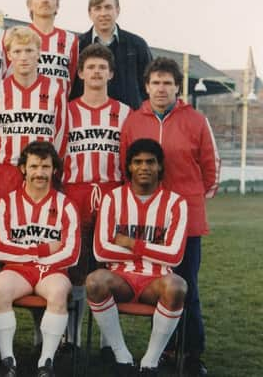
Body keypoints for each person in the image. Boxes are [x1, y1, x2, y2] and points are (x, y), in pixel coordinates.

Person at [120, 58, 220, 376]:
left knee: (186, 286)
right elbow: (126, 167)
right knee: (157, 285)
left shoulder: (196, 120)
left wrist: (187, 199)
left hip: (186, 221)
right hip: (150, 222)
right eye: (155, 82)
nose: (161, 88)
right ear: (146, 86)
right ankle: (163, 349)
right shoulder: (134, 121)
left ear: (177, 86)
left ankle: (191, 352)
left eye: (167, 83)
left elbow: (210, 169)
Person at [87, 138, 188, 377]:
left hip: (156, 282)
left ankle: (150, 362)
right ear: (129, 167)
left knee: (178, 286)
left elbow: (174, 255)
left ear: (160, 167)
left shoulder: (176, 203)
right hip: (120, 278)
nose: (144, 167)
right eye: (138, 162)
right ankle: (122, 356)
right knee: (94, 281)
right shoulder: (113, 199)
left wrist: (131, 243)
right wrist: (155, 248)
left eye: (150, 162)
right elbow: (101, 250)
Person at [0, 25, 67, 280]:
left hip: (40, 176)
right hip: (4, 173)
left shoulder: (55, 91)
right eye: (17, 51)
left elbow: (60, 137)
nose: (24, 57)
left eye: (29, 50)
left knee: (40, 252)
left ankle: (45, 314)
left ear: (39, 53)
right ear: (8, 55)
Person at [0, 141, 80, 377]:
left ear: (54, 170)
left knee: (59, 292)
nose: (39, 173)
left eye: (45, 167)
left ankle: (45, 363)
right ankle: (7, 361)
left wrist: (38, 258)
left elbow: (71, 252)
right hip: (17, 269)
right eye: (34, 166)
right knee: (0, 287)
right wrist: (41, 250)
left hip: (53, 271)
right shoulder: (6, 202)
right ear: (23, 168)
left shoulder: (65, 205)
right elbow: (1, 249)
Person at [62, 44, 131, 347]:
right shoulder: (66, 110)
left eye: (102, 67)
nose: (96, 72)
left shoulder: (124, 112)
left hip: (111, 194)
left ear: (111, 73)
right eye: (90, 67)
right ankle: (72, 337)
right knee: (75, 267)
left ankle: (106, 341)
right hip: (74, 192)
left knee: (108, 267)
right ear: (80, 73)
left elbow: (129, 158)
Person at [70, 0, 152, 110]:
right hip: (85, 121)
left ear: (117, 10)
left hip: (129, 120)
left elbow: (150, 85)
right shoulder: (76, 45)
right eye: (97, 8)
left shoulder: (137, 45)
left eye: (108, 7)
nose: (103, 13)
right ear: (90, 13)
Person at [24, 0, 78, 92]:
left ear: (57, 5)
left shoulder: (71, 39)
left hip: (60, 106)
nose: (45, 0)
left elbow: (72, 77)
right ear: (30, 4)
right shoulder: (17, 36)